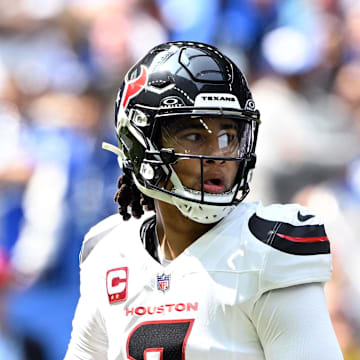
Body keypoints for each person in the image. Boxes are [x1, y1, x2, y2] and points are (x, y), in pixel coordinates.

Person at [65, 41, 343, 359]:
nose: (218, 156)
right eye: (195, 136)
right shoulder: (107, 250)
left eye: (229, 137)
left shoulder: (266, 249)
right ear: (140, 144)